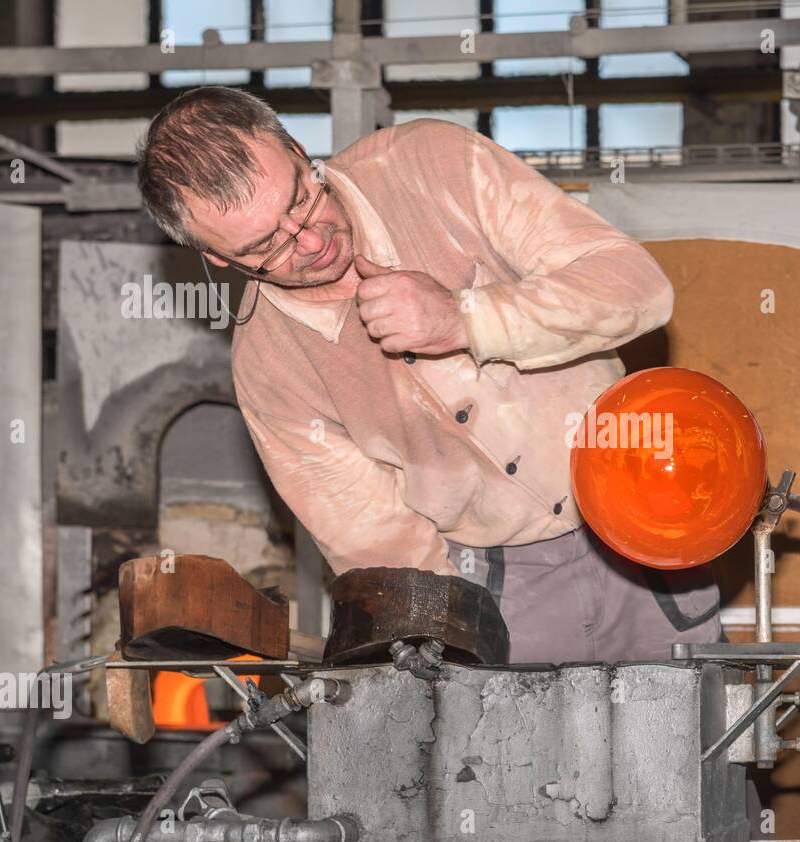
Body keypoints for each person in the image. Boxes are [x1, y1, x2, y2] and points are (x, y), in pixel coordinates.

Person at [136, 86, 722, 664]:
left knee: (693, 753)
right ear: (216, 257)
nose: (309, 241)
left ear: (295, 147)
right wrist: (454, 637)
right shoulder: (269, 369)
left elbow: (636, 288)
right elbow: (375, 536)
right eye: (267, 245)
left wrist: (466, 318)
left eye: (299, 200)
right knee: (530, 762)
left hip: (645, 519)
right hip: (491, 589)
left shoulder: (433, 166)